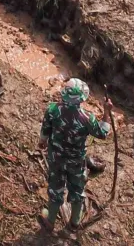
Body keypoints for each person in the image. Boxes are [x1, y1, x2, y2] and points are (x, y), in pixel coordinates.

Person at [39, 78, 111, 230]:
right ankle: (74, 222)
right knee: (77, 189)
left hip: (56, 158)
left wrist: (43, 141)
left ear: (64, 94)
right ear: (82, 98)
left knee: (55, 187)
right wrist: (106, 112)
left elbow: (45, 131)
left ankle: (50, 220)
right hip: (76, 162)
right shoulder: (87, 118)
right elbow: (103, 133)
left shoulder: (52, 109)